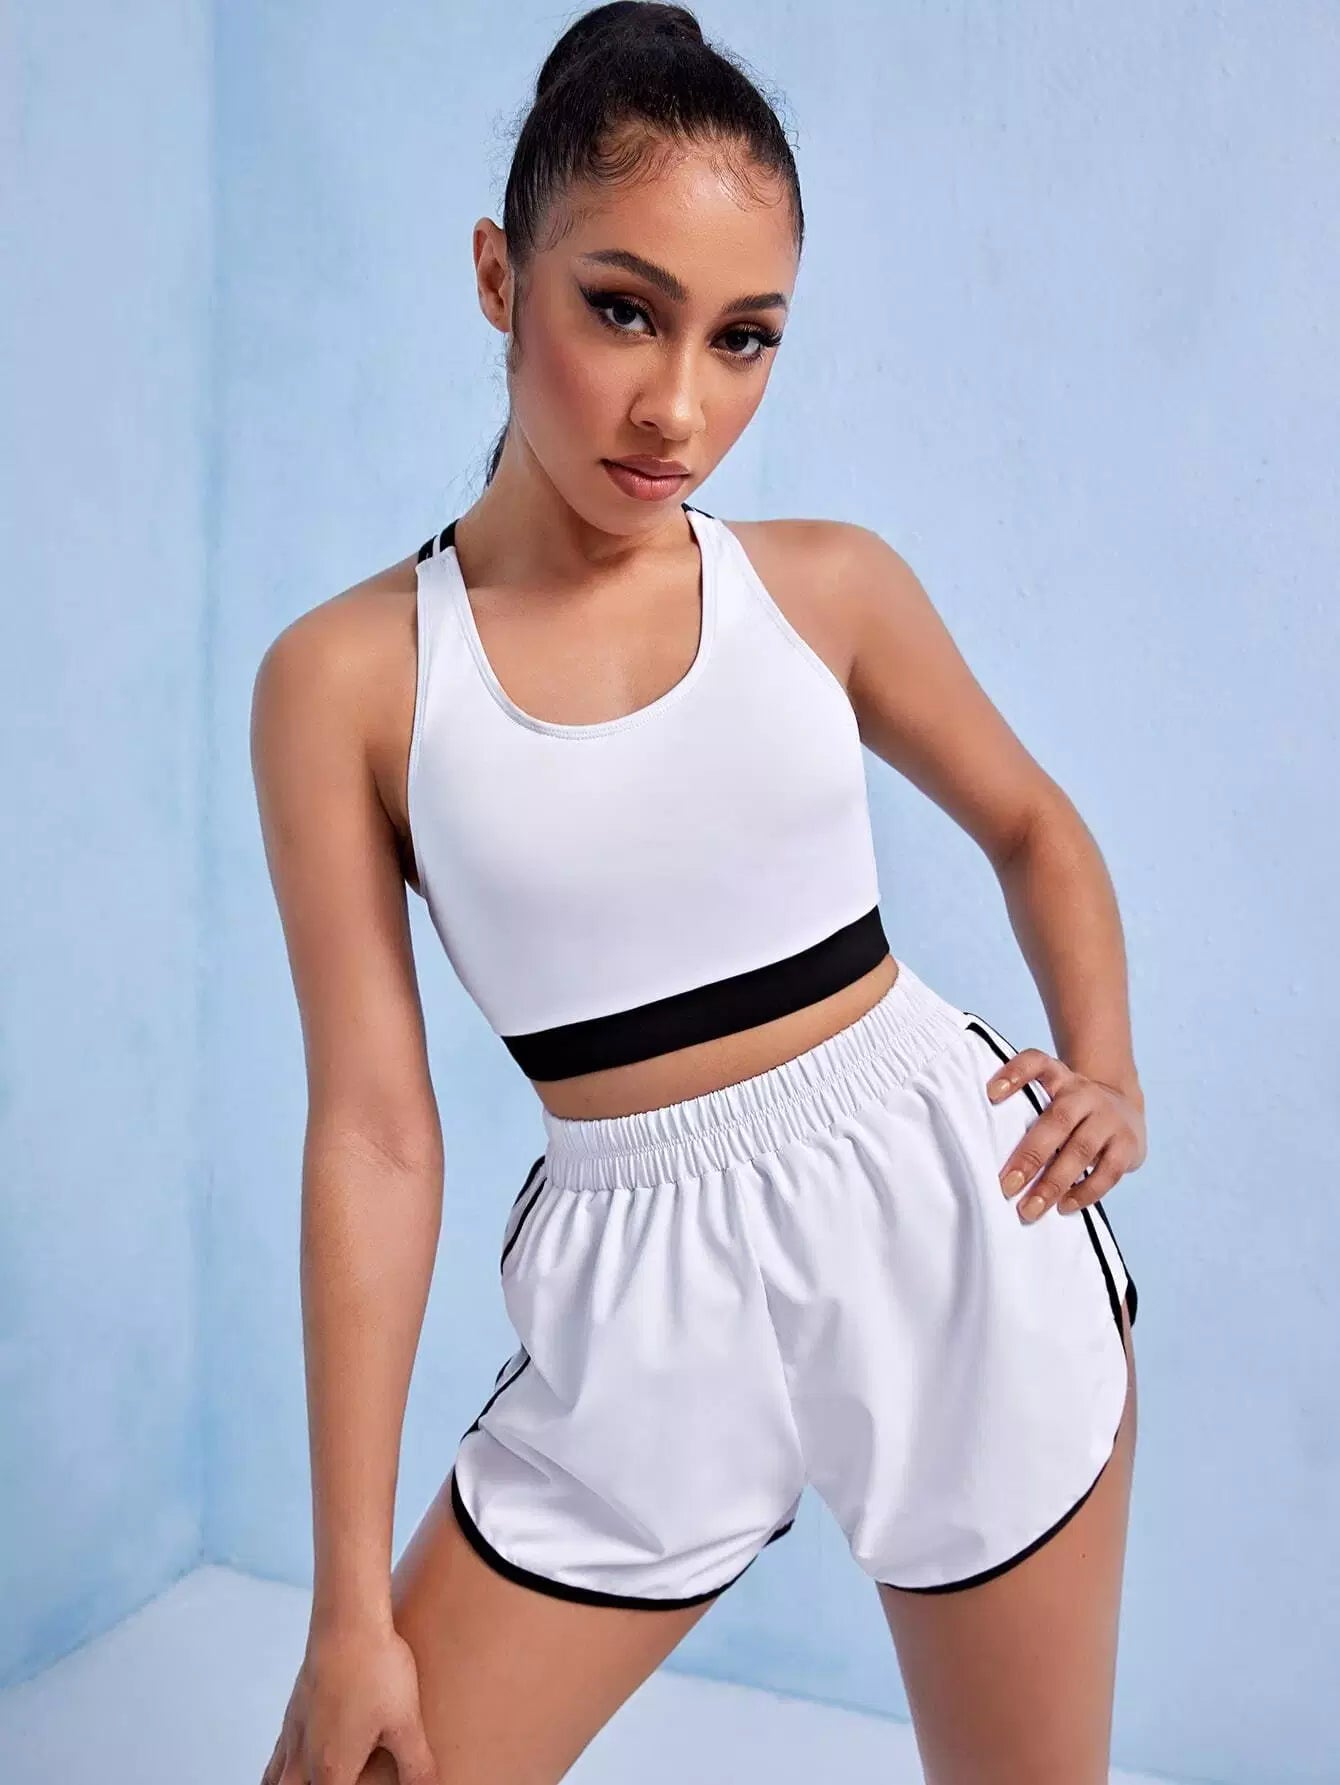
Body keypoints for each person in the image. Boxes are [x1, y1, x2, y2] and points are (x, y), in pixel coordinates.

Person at [250, 4, 1145, 1781]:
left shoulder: (826, 590)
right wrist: (351, 1604)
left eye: (744, 338)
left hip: (959, 1234)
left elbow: (1035, 822)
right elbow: (375, 1131)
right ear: (500, 276)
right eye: (622, 309)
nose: (680, 407)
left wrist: (1106, 1062)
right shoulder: (349, 679)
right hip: (637, 1304)